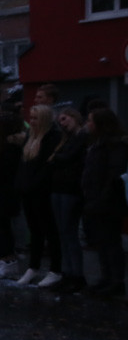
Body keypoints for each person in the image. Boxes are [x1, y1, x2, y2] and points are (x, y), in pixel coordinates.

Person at [80, 107, 128, 299]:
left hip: (108, 203)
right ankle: (106, 278)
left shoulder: (115, 146)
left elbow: (112, 176)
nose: (87, 124)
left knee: (110, 242)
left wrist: (101, 199)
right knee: (102, 242)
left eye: (90, 121)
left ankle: (115, 281)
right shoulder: (98, 144)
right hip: (96, 200)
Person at [15, 104, 62, 286]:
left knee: (49, 230)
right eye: (31, 118)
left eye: (35, 118)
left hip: (42, 191)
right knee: (35, 231)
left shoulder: (52, 138)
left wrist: (31, 184)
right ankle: (33, 267)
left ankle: (55, 269)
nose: (32, 121)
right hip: (29, 190)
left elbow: (46, 168)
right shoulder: (31, 137)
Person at [48, 108, 88, 293]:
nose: (62, 123)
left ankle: (76, 275)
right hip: (60, 188)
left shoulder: (81, 137)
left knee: (69, 233)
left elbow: (67, 158)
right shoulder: (68, 139)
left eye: (64, 119)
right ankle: (69, 273)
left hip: (70, 190)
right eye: (60, 121)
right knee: (63, 232)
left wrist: (57, 158)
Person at [0, 111, 25, 280]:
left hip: (4, 191)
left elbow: (6, 169)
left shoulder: (11, 146)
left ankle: (8, 260)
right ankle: (5, 260)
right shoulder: (0, 144)